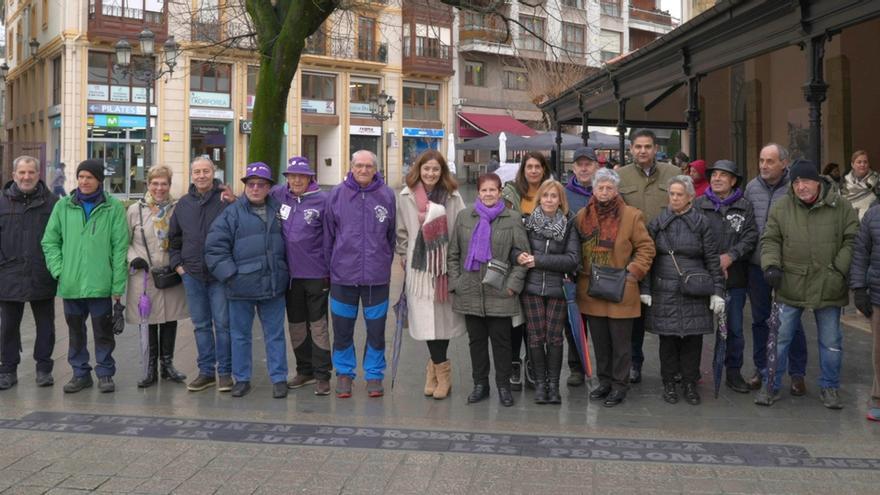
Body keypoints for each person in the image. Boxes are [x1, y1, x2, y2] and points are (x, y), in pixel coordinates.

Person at [758, 159, 858, 409]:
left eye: (805, 181)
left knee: (831, 340)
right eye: (796, 182)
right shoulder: (782, 207)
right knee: (779, 338)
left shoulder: (841, 206)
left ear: (818, 182)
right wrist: (771, 265)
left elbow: (852, 239)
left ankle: (830, 387)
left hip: (829, 283)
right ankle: (770, 385)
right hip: (791, 282)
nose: (801, 187)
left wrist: (838, 270)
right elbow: (770, 239)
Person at [41, 159, 128, 393]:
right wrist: (59, 271)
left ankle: (105, 373)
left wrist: (118, 285)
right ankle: (80, 374)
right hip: (71, 284)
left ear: (99, 180)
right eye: (81, 177)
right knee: (75, 333)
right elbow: (50, 242)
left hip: (101, 284)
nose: (84, 181)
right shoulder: (63, 207)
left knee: (103, 332)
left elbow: (120, 249)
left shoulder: (113, 208)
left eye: (89, 177)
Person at [206, 163, 290, 399]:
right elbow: (214, 248)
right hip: (240, 287)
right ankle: (241, 379)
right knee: (240, 335)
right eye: (250, 184)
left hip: (273, 284)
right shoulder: (232, 213)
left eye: (260, 184)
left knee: (275, 334)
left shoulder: (280, 210)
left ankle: (279, 378)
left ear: (269, 187)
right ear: (245, 186)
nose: (255, 188)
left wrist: (284, 270)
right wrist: (231, 274)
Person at [448, 173, 529, 407]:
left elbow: (522, 258)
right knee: (477, 342)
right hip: (470, 290)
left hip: (500, 293)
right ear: (478, 193)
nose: (488, 194)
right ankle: (480, 384)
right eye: (484, 190)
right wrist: (457, 282)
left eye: (493, 190)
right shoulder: (465, 217)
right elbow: (453, 254)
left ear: (500, 191)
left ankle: (503, 386)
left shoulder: (512, 218)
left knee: (502, 343)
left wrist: (512, 287)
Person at [576, 168, 655, 407]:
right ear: (593, 189)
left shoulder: (631, 215)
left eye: (609, 187)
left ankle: (620, 385)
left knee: (621, 344)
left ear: (617, 190)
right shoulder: (582, 215)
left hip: (621, 288)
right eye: (600, 187)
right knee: (600, 342)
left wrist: (634, 272)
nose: (604, 192)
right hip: (592, 289)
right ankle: (605, 381)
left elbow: (646, 247)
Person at [645, 175, 725, 406]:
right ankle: (669, 383)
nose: (675, 198)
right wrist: (646, 289)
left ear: (691, 197)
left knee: (693, 340)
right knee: (667, 341)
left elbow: (712, 259)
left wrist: (717, 291)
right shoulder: (658, 222)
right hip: (665, 288)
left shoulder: (701, 223)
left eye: (680, 194)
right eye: (672, 194)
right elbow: (648, 257)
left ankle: (690, 383)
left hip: (695, 289)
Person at [324, 150, 396, 398]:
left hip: (377, 277)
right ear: (351, 167)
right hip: (343, 276)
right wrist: (330, 268)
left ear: (375, 169)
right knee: (342, 329)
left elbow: (392, 234)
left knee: (376, 330)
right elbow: (328, 236)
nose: (363, 170)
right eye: (359, 166)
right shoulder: (336, 195)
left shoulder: (386, 195)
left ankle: (374, 375)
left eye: (368, 166)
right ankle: (344, 373)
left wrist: (384, 260)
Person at [396, 150, 466, 400]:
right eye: (426, 169)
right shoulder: (406, 196)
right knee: (427, 322)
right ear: (419, 169)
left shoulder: (453, 196)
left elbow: (461, 227)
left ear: (442, 171)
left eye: (436, 169)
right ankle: (437, 370)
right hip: (419, 268)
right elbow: (401, 229)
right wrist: (404, 254)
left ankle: (439, 372)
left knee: (443, 323)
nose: (431, 173)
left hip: (445, 265)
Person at [744, 143, 809, 394]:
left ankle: (797, 373)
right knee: (760, 320)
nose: (763, 166)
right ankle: (761, 369)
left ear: (784, 163)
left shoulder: (795, 188)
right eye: (761, 160)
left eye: (770, 161)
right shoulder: (752, 187)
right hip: (757, 266)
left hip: (788, 268)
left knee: (791, 322)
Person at [617, 129, 680, 384]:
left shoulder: (674, 175)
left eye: (648, 146)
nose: (643, 151)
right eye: (638, 146)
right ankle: (634, 362)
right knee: (635, 315)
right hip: (634, 257)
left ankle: (673, 366)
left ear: (656, 149)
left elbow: (686, 207)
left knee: (669, 312)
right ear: (631, 149)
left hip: (668, 256)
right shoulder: (620, 176)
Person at [168, 156, 234, 393]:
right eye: (197, 172)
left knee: (224, 325)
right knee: (201, 325)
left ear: (213, 172)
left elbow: (237, 233)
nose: (202, 176)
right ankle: (206, 372)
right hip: (192, 274)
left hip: (220, 275)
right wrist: (178, 266)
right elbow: (173, 239)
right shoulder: (183, 204)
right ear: (191, 175)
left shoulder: (226, 200)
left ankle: (225, 373)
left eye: (206, 171)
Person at [693, 160, 758, 393]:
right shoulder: (699, 204)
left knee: (735, 328)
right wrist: (713, 262)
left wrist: (731, 256)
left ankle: (733, 372)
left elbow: (750, 237)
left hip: (735, 278)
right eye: (714, 175)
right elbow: (692, 236)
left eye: (723, 175)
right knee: (696, 326)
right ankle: (691, 371)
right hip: (703, 277)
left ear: (733, 181)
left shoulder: (744, 206)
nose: (717, 178)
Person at [270, 157, 332, 395]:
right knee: (296, 325)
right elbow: (255, 193)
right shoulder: (279, 195)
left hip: (316, 274)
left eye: (301, 176)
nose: (296, 180)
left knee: (318, 326)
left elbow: (330, 236)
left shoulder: (323, 200)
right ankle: (304, 370)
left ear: (310, 178)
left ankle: (322, 374)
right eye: (291, 176)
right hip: (290, 276)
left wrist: (329, 271)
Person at [515, 179, 580, 405]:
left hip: (557, 289)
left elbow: (572, 260)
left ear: (560, 200)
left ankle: (554, 385)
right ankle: (540, 384)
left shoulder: (569, 224)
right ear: (539, 198)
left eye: (554, 196)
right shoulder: (528, 223)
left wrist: (538, 260)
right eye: (546, 196)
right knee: (535, 337)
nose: (550, 200)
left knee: (554, 338)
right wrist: (519, 256)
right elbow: (517, 247)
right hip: (531, 288)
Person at [125, 165, 188, 388]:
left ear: (169, 185)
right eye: (155, 183)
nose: (159, 188)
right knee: (149, 320)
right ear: (148, 185)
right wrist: (134, 259)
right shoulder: (135, 210)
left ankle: (167, 364)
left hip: (170, 272)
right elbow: (125, 241)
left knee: (170, 319)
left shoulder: (178, 209)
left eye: (164, 184)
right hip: (145, 275)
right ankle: (150, 367)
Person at [0, 156, 59, 390]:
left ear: (38, 174)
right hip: (8, 274)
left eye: (31, 173)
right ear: (14, 175)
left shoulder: (53, 203)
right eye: (22, 173)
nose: (26, 177)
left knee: (45, 325)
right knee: (8, 326)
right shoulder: (2, 202)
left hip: (41, 273)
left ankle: (44, 369)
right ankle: (7, 369)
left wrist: (55, 267)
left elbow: (59, 238)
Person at [501, 151, 552, 391]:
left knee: (535, 319)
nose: (533, 170)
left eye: (537, 166)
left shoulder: (552, 191)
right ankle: (513, 363)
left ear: (544, 169)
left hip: (542, 262)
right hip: (515, 260)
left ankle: (533, 362)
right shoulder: (511, 192)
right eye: (529, 166)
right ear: (523, 169)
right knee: (514, 317)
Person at [563, 146, 601, 387]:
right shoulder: (564, 193)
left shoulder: (605, 190)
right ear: (574, 167)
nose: (584, 167)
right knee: (574, 321)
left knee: (599, 320)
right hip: (573, 266)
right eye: (580, 164)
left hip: (601, 267)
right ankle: (576, 367)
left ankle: (603, 368)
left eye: (588, 163)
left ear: (596, 166)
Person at [850, 203, 880, 421]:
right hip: (878, 295)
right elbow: (860, 253)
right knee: (879, 351)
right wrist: (859, 288)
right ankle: (879, 398)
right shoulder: (873, 214)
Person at [839, 150, 880, 221]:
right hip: (849, 223)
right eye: (859, 162)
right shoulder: (844, 183)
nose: (862, 165)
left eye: (865, 162)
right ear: (852, 164)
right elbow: (840, 206)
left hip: (873, 223)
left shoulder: (877, 180)